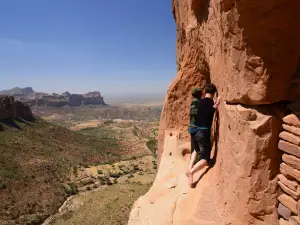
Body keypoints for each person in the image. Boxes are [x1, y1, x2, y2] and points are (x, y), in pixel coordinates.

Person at [186, 83, 221, 186]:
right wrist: (217, 103)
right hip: (202, 132)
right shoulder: (210, 103)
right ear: (213, 93)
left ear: (205, 92)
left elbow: (205, 111)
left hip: (194, 130)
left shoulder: (199, 102)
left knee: (195, 150)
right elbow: (211, 112)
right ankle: (191, 172)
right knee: (205, 159)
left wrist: (214, 105)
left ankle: (189, 167)